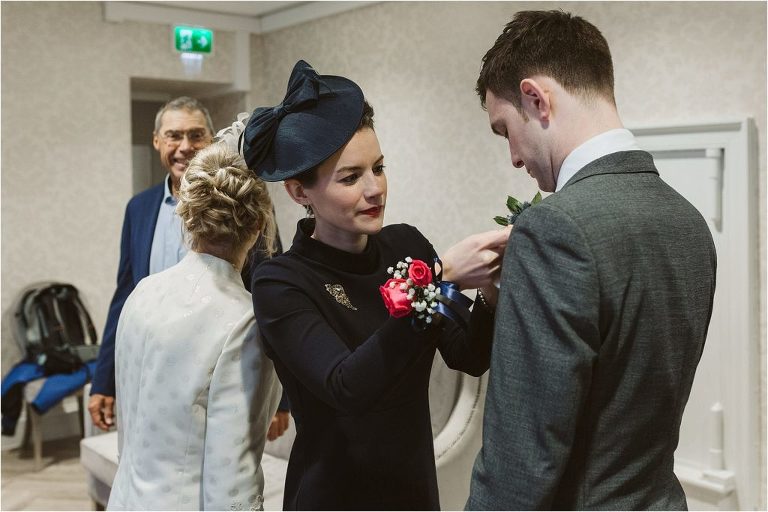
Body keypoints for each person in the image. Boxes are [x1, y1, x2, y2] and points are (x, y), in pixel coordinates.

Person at [466, 10, 717, 510]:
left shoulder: (553, 227)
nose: (514, 156)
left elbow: (521, 459)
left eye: (504, 130)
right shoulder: (689, 220)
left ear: (537, 99)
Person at [245, 60, 510, 511]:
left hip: (413, 491)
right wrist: (441, 276)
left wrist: (489, 288)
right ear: (298, 192)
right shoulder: (281, 281)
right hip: (333, 496)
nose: (375, 189)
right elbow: (348, 387)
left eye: (379, 167)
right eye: (350, 177)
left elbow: (471, 355)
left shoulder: (405, 244)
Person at [88, 97, 290, 440]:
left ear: (211, 139)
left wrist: (280, 397)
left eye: (196, 135)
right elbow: (124, 295)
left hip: (223, 374)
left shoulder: (245, 202)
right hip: (151, 374)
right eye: (173, 136)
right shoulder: (138, 209)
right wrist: (104, 379)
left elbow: (272, 292)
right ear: (156, 141)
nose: (185, 147)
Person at [107, 143, 282, 511]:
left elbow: (130, 428)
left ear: (187, 217)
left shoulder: (143, 293)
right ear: (258, 225)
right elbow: (233, 476)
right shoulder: (244, 321)